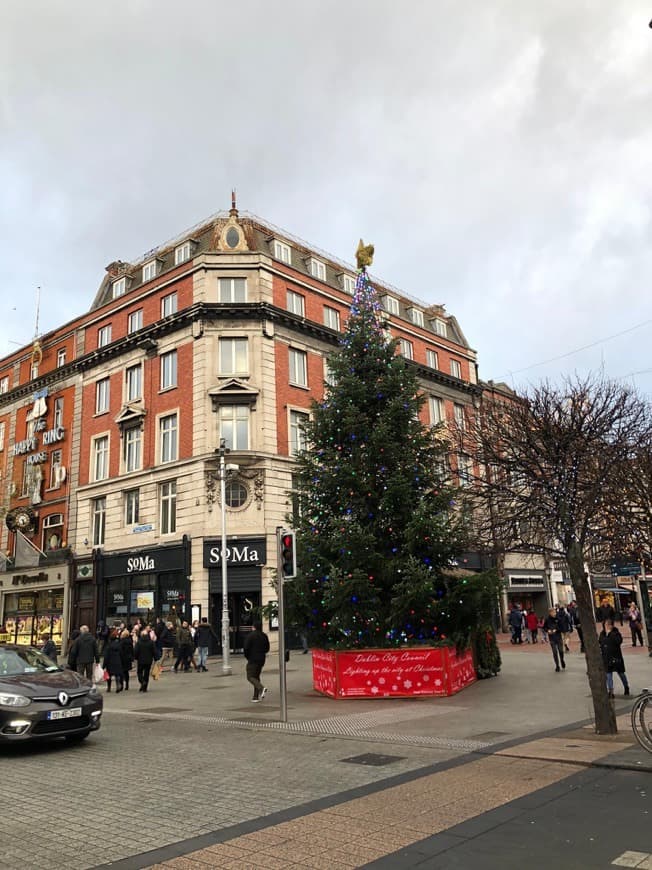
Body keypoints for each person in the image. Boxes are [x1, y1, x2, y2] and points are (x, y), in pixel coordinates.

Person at [599, 619, 630, 699]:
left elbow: (618, 641)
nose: (607, 626)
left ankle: (626, 686)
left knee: (621, 673)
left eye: (609, 624)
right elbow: (600, 643)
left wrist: (610, 634)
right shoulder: (602, 634)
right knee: (608, 675)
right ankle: (611, 691)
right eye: (606, 625)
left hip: (616, 657)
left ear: (612, 625)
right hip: (606, 657)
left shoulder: (616, 633)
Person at [243, 622, 270, 702]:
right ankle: (255, 697)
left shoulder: (250, 636)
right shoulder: (264, 635)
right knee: (256, 676)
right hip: (262, 659)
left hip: (253, 659)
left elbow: (246, 648)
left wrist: (248, 657)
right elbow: (267, 648)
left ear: (253, 627)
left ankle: (261, 688)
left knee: (250, 676)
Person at [542, 608, 566, 672]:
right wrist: (548, 630)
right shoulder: (547, 619)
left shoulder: (558, 619)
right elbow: (544, 627)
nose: (554, 614)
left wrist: (557, 629)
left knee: (560, 650)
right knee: (555, 652)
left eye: (555, 612)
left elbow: (562, 627)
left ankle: (562, 660)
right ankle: (557, 666)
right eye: (553, 613)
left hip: (558, 637)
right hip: (552, 638)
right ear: (550, 613)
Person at [134, 627, 156, 692]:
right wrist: (155, 658)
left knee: (139, 672)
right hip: (149, 660)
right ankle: (145, 687)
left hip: (141, 660)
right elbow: (154, 651)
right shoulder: (151, 642)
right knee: (146, 673)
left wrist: (135, 657)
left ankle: (142, 682)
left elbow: (136, 651)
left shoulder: (139, 642)